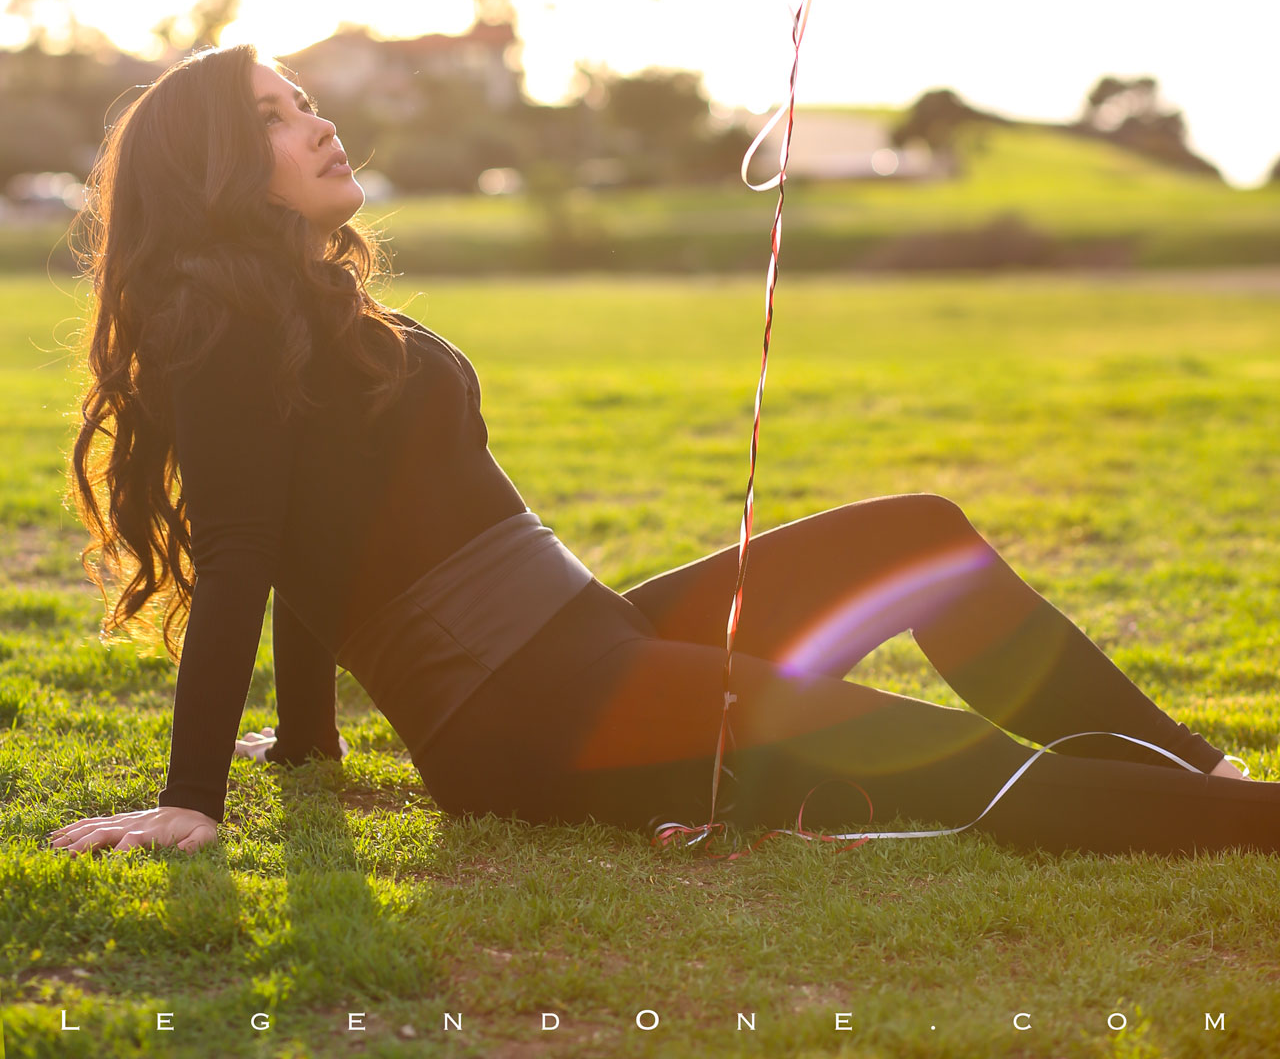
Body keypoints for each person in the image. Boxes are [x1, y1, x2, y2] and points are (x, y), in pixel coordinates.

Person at [48, 45, 1275, 863]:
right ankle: (1249, 824)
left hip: (594, 645)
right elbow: (254, 544)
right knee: (955, 764)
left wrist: (311, 741)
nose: (313, 122)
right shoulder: (218, 335)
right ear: (214, 173)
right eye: (270, 117)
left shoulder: (320, 308)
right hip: (536, 715)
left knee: (919, 537)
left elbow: (335, 530)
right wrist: (192, 799)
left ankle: (1201, 768)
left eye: (304, 98)